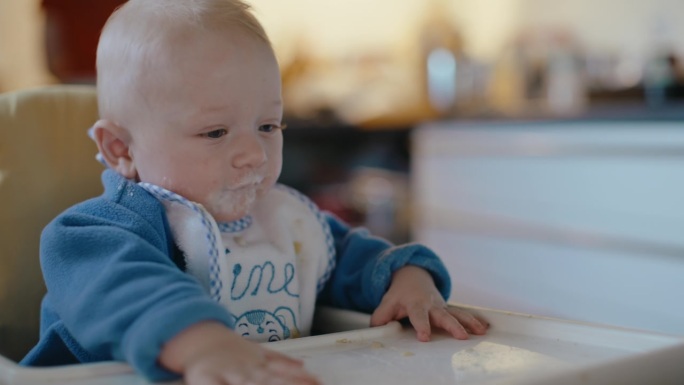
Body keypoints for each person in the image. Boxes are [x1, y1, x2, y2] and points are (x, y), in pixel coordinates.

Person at [21, 0, 488, 384]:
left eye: (268, 125)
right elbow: (120, 287)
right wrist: (200, 342)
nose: (254, 154)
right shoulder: (93, 235)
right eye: (215, 132)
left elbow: (357, 258)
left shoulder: (285, 223)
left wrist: (410, 282)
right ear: (121, 148)